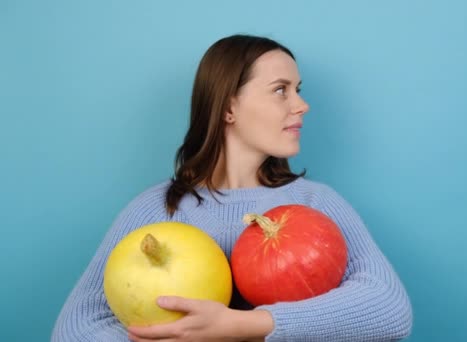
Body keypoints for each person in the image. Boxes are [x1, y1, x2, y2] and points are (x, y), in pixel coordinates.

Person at [51, 34, 413, 341]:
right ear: (229, 108)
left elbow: (390, 308)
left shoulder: (317, 202)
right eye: (280, 90)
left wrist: (244, 325)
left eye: (297, 90)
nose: (302, 105)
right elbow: (75, 330)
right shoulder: (158, 209)